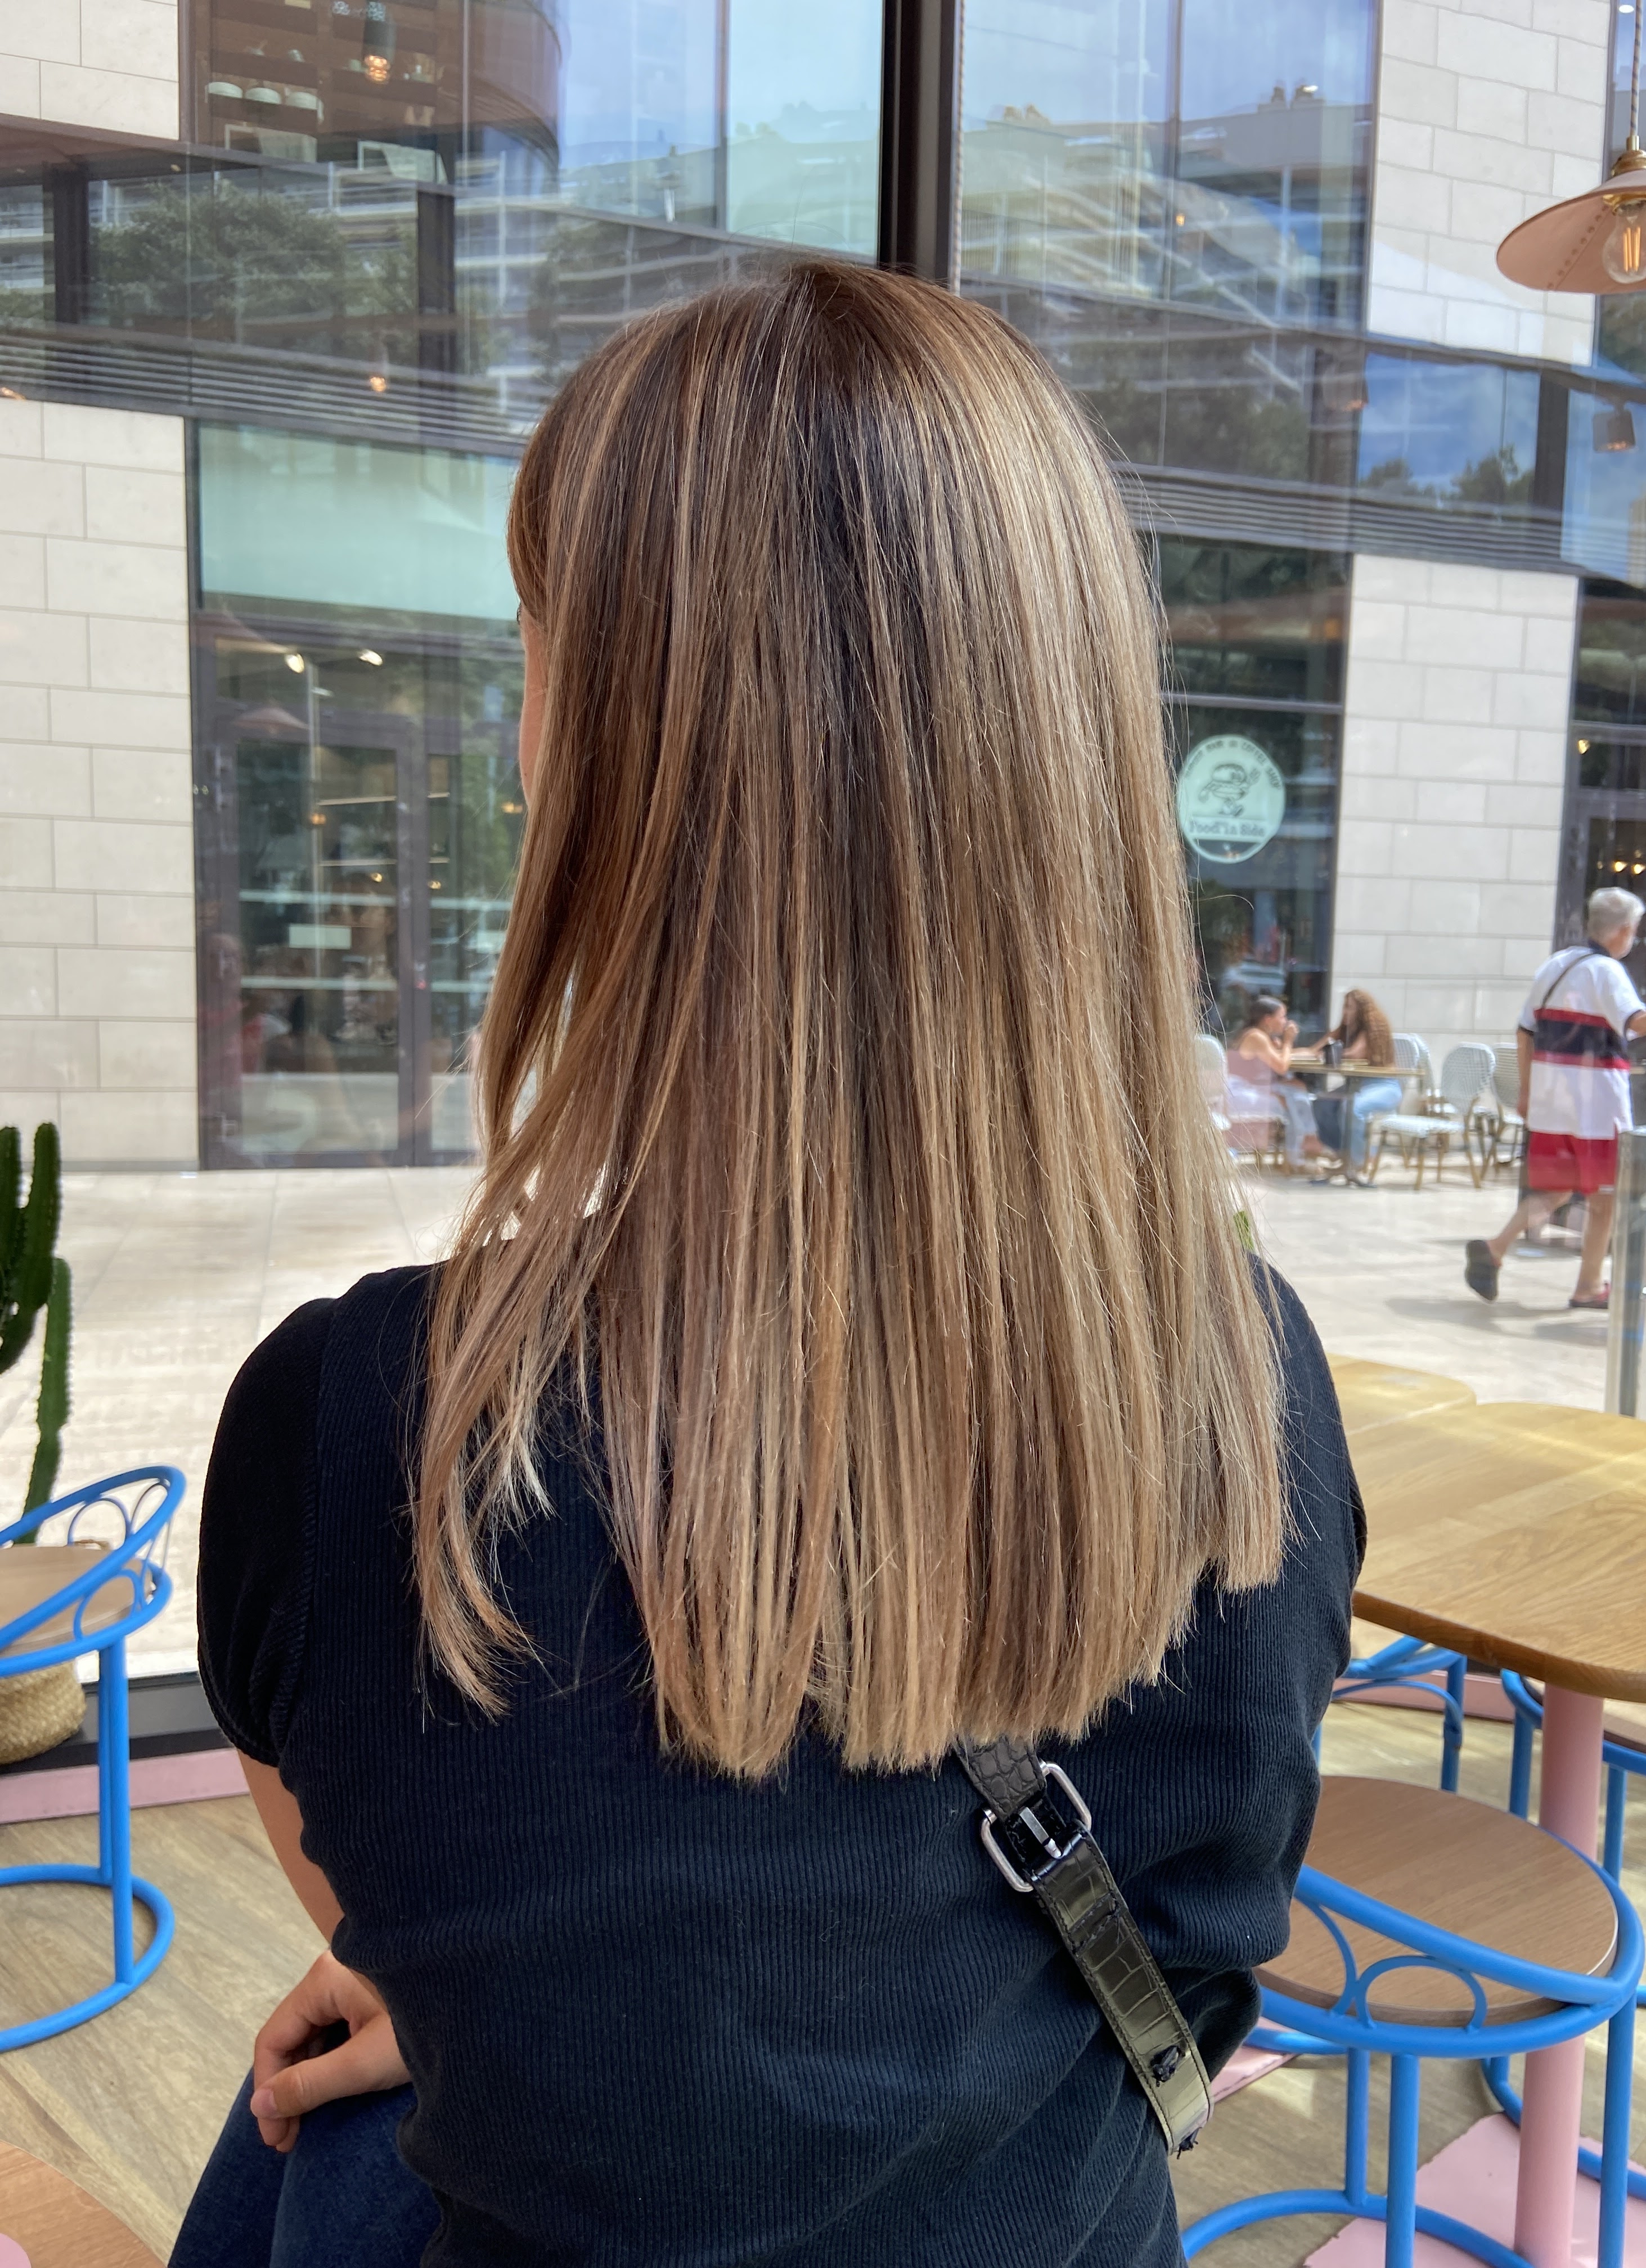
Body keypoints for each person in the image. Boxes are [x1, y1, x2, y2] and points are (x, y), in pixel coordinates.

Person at [173, 263, 1361, 2268]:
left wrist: (505, 2005)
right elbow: (1189, 1966)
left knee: (297, 2140)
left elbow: (390, 1900)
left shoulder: (363, 1431)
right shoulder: (1240, 1383)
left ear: (587, 754)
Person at [1465, 886, 1646, 1309]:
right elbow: (1638, 1023)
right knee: (1605, 1197)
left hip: (1552, 1103)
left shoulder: (1555, 965)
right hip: (1596, 1107)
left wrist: (1528, 1090)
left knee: (1557, 1189)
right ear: (1625, 930)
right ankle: (1588, 1286)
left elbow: (1524, 1032)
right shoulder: (1607, 971)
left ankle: (1496, 1247)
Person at [1310, 989, 1402, 1185]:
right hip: (1356, 1085)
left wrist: (1328, 1053)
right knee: (1321, 1104)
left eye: (1350, 1008)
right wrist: (1290, 1052)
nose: (1345, 1012)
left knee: (1353, 1108)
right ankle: (1344, 1154)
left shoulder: (1371, 1030)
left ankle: (1356, 1163)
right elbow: (1315, 1050)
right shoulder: (1344, 1031)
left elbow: (1355, 1054)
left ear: (1361, 1011)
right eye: (1344, 1007)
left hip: (1384, 1086)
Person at [1228, 994, 1321, 1167]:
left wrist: (1311, 1051)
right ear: (1268, 1020)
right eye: (1283, 1017)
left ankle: (1305, 1144)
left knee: (1298, 1089)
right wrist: (1288, 1041)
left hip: (1251, 1088)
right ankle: (1297, 1155)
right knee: (1290, 1101)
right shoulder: (1257, 1037)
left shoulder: (1261, 1036)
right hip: (1240, 1094)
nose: (1286, 1022)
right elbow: (1282, 1067)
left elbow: (1283, 1056)